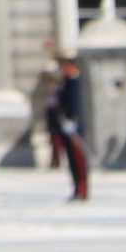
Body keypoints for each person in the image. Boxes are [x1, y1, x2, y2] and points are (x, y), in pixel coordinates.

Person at [52, 60, 92, 202]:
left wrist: (73, 121)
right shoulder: (65, 80)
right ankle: (77, 189)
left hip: (73, 125)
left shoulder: (74, 80)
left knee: (78, 160)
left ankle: (82, 190)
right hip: (65, 125)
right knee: (72, 161)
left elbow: (75, 103)